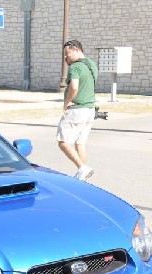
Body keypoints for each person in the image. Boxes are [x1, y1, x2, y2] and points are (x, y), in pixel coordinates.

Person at [57, 40, 99, 181]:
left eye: (67, 53)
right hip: (90, 110)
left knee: (62, 142)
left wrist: (66, 104)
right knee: (80, 143)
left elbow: (74, 87)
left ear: (76, 50)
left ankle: (83, 168)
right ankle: (83, 174)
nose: (65, 57)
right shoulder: (91, 64)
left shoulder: (75, 67)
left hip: (76, 110)